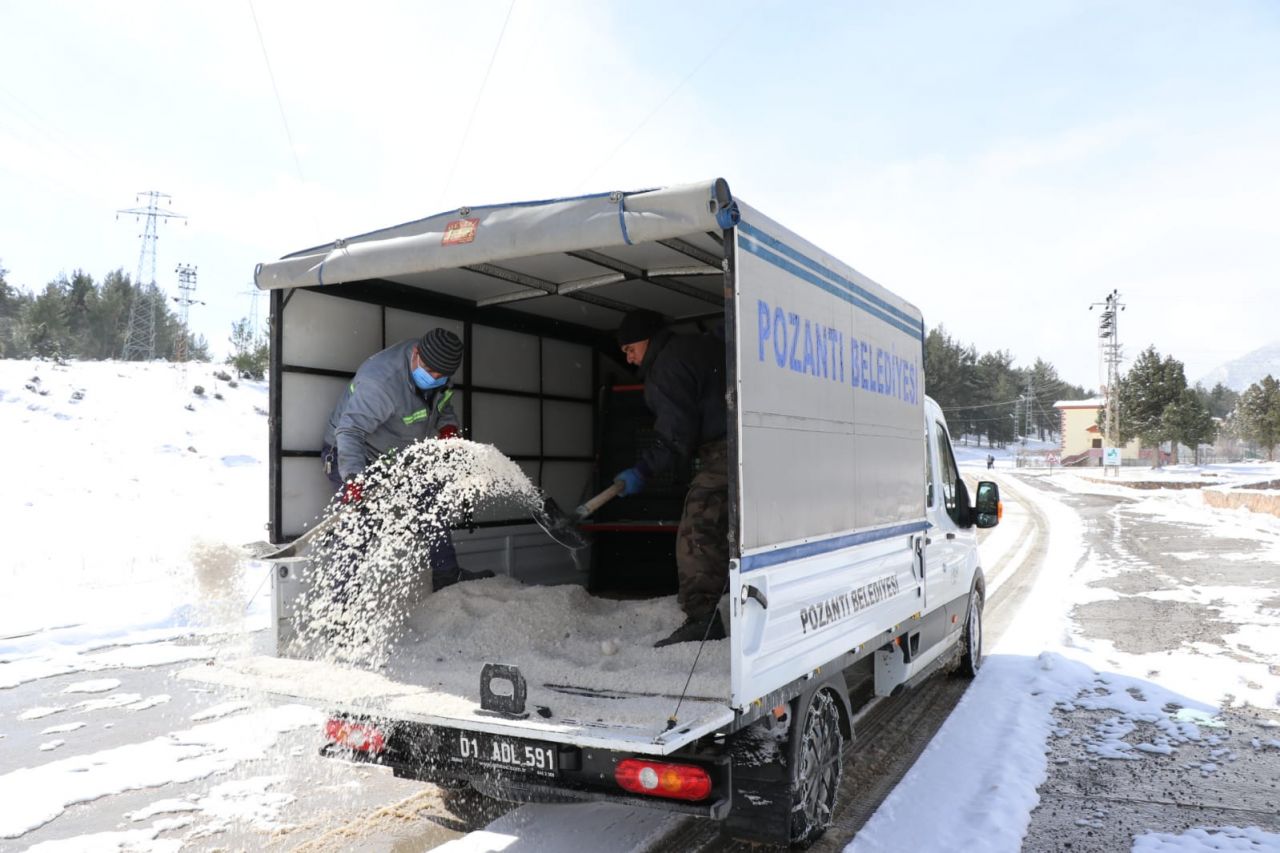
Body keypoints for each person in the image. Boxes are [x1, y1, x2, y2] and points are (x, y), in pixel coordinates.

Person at [321, 328, 493, 592]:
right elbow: (351, 431)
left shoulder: (439, 372)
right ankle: (340, 613)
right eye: (429, 370)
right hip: (353, 453)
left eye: (440, 375)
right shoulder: (382, 382)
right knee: (358, 528)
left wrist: (447, 427)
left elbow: (441, 406)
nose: (434, 377)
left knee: (433, 502)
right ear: (416, 354)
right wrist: (355, 478)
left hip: (399, 455)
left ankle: (447, 575)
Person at [613, 309, 729, 647]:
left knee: (697, 530)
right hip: (750, 441)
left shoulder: (665, 368)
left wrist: (643, 470)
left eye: (630, 348)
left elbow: (675, 435)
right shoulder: (698, 346)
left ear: (648, 340)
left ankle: (702, 618)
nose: (630, 358)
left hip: (726, 451)